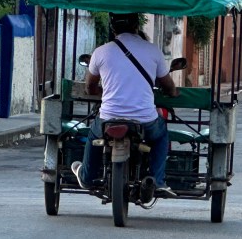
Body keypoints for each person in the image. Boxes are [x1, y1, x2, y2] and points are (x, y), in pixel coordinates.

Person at [71, 13, 178, 197]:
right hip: (145, 121)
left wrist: (101, 92)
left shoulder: (101, 52)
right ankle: (158, 180)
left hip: (108, 118)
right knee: (161, 136)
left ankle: (87, 177)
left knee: (92, 134)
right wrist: (174, 93)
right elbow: (168, 86)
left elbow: (89, 87)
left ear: (113, 28)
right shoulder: (153, 51)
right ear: (137, 26)